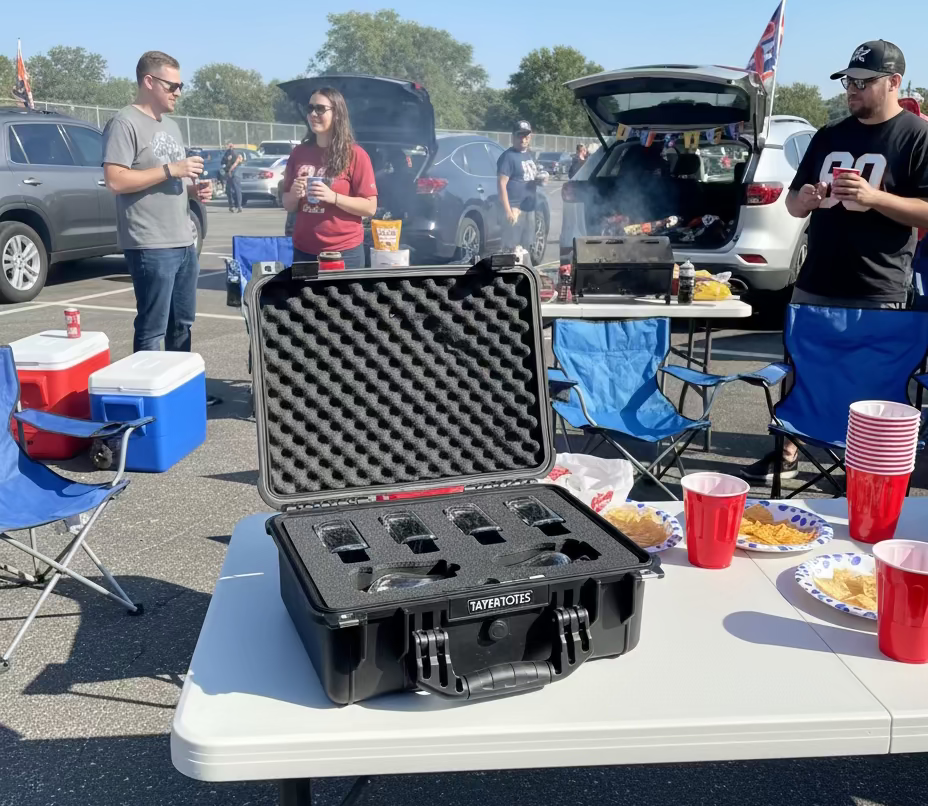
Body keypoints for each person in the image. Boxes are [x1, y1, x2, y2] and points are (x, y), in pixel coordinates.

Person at [743, 39, 928, 483]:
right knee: (802, 367)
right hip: (816, 278)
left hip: (877, 284)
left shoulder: (916, 135)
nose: (853, 91)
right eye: (849, 81)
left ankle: (866, 467)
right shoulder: (828, 136)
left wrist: (875, 198)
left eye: (864, 83)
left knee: (871, 381)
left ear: (893, 83)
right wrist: (804, 199)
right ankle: (788, 452)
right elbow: (791, 204)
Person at [102, 50, 214, 358]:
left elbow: (171, 179)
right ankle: (152, 397)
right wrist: (172, 170)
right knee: (153, 328)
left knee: (183, 324)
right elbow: (115, 180)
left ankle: (180, 392)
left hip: (183, 241)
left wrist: (194, 189)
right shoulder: (124, 123)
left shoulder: (172, 126)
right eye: (172, 86)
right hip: (150, 244)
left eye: (181, 86)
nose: (178, 92)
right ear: (149, 82)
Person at [281, 87, 377, 267]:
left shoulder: (356, 154)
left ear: (337, 114)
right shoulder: (298, 153)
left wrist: (333, 197)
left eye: (320, 109)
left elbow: (370, 207)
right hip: (304, 251)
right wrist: (294, 194)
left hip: (344, 252)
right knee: (305, 296)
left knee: (342, 297)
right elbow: (287, 204)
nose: (313, 114)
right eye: (310, 108)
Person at [497, 121, 546, 264]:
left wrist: (539, 181)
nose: (523, 139)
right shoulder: (508, 157)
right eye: (520, 135)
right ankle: (509, 281)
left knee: (525, 248)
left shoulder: (528, 155)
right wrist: (507, 211)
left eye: (526, 135)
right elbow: (501, 184)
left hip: (529, 208)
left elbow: (527, 178)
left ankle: (525, 277)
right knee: (511, 251)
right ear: (513, 137)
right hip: (515, 209)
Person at [222, 141, 243, 213]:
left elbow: (238, 162)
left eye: (230, 145)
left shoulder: (236, 153)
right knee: (229, 190)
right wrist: (226, 169)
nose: (229, 146)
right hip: (228, 173)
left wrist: (231, 171)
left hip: (235, 173)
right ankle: (232, 206)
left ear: (233, 145)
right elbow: (223, 162)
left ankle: (239, 206)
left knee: (237, 190)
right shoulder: (226, 153)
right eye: (228, 145)